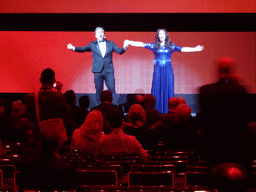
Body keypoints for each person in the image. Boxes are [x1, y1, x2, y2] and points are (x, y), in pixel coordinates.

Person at [125, 29, 204, 114]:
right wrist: (129, 41)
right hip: (158, 70)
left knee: (167, 87)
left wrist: (195, 49)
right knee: (157, 87)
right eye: (159, 34)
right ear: (157, 36)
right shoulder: (154, 46)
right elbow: (141, 44)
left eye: (163, 34)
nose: (161, 35)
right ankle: (156, 111)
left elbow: (183, 49)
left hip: (167, 70)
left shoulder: (171, 46)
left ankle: (168, 111)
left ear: (166, 35)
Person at [67, 27, 128, 105]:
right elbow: (83, 49)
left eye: (101, 32)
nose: (100, 34)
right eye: (98, 32)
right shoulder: (92, 44)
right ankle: (98, 107)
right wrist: (73, 48)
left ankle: (114, 105)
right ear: (95, 35)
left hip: (108, 71)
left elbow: (119, 51)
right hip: (97, 71)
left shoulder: (111, 43)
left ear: (104, 34)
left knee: (112, 89)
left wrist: (124, 47)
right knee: (99, 90)